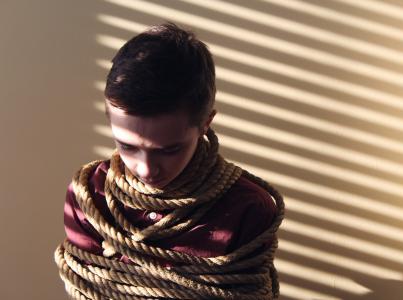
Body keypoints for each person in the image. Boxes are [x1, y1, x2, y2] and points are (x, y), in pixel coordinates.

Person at [54, 22, 284, 299]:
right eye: (126, 146)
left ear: (205, 123)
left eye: (169, 150)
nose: (146, 170)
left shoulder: (249, 207)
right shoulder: (91, 196)